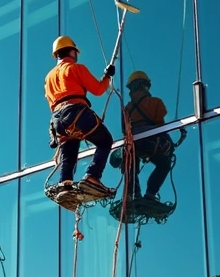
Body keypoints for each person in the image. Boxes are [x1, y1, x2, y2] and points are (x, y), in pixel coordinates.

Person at [45, 35, 116, 197]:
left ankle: (65, 184)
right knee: (105, 141)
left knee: (69, 148)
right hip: (75, 112)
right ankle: (92, 176)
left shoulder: (48, 77)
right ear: (71, 52)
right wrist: (107, 77)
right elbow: (98, 90)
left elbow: (50, 102)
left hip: (57, 120)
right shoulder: (75, 68)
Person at [121, 70, 175, 203]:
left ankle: (134, 193)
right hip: (151, 140)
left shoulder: (126, 108)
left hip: (133, 142)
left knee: (131, 166)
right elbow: (160, 126)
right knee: (164, 164)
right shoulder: (155, 102)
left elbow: (124, 129)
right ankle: (151, 193)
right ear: (145, 86)